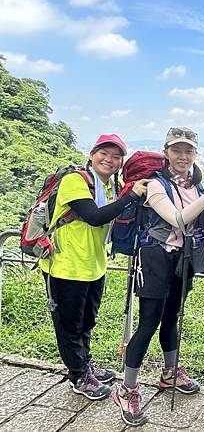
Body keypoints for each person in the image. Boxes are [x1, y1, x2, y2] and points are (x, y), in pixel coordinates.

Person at [113, 127, 204, 427]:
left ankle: (169, 373)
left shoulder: (197, 186)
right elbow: (178, 219)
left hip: (182, 260)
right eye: (176, 150)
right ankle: (127, 388)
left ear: (196, 153)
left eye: (189, 151)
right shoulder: (156, 184)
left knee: (173, 318)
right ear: (166, 152)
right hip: (155, 257)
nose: (183, 156)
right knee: (149, 322)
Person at [39, 134, 149, 400]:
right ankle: (78, 376)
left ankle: (85, 365)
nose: (109, 160)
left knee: (86, 321)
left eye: (116, 156)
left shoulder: (108, 185)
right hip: (65, 266)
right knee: (69, 325)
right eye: (104, 153)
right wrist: (131, 196)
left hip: (94, 265)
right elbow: (94, 217)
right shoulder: (75, 181)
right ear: (92, 154)